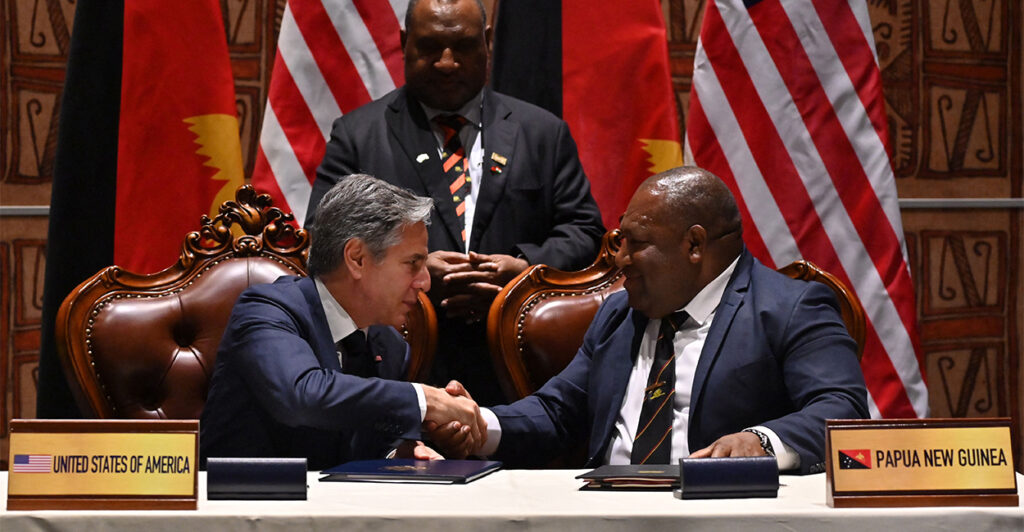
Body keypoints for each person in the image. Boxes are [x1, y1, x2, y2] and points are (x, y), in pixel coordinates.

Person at [433, 166, 869, 474]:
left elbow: (842, 411)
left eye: (635, 243)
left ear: (694, 245)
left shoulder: (791, 309)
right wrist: (480, 425)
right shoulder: (619, 313)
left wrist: (760, 442)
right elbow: (557, 411)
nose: (617, 259)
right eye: (618, 241)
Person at [305, 0, 605, 405]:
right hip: (396, 367)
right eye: (429, 47)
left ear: (488, 43)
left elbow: (584, 232)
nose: (446, 62)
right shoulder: (358, 136)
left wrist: (523, 269)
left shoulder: (542, 133)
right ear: (404, 43)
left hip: (522, 369)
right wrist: (411, 267)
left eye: (462, 47)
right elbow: (322, 242)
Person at [201, 174, 485, 470]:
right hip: (242, 507)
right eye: (412, 264)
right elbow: (302, 397)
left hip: (335, 511)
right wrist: (423, 398)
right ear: (357, 258)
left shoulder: (390, 346)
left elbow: (364, 442)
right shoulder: (268, 311)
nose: (425, 282)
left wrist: (401, 454)